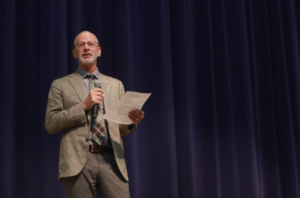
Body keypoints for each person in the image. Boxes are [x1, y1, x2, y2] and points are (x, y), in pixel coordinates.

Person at [44, 31, 144, 198]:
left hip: (112, 159)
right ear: (74, 52)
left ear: (99, 51)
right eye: (81, 45)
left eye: (91, 44)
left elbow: (120, 128)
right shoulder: (60, 84)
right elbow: (50, 123)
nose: (86, 48)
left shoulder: (115, 84)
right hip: (78, 162)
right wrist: (83, 106)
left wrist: (131, 121)